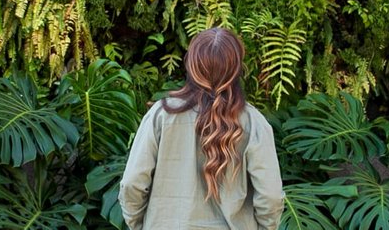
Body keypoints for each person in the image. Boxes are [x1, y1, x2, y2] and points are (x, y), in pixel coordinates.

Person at [119, 27, 284, 230]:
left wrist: (140, 224)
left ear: (192, 65)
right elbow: (271, 196)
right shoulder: (253, 123)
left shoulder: (161, 116)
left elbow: (132, 184)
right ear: (236, 68)